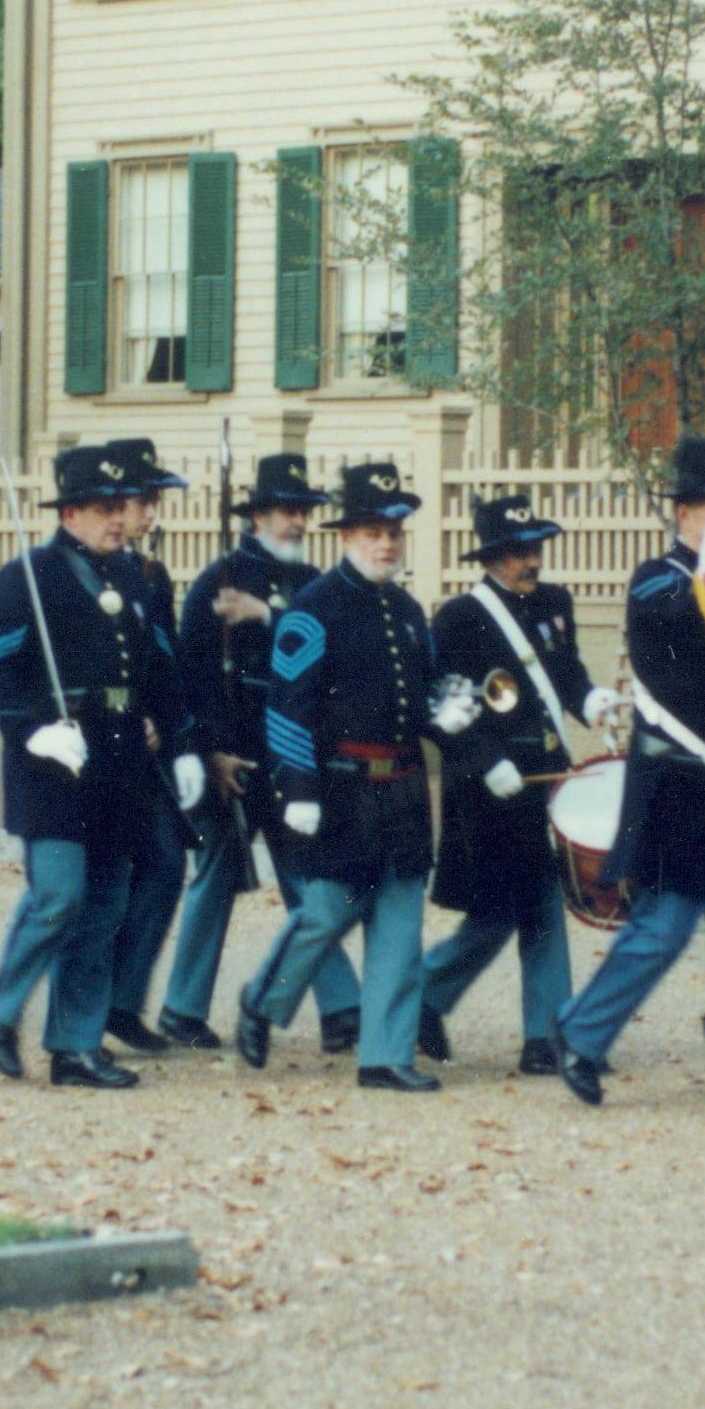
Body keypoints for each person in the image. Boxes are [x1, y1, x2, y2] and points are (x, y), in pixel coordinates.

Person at [549, 436, 705, 1124]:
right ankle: (580, 1032)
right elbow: (681, 629)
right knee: (662, 928)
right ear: (687, 511)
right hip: (676, 787)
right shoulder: (657, 579)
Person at [0, 441, 206, 1088]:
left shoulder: (131, 575)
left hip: (120, 760)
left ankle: (74, 1046)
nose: (116, 520)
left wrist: (182, 742)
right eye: (103, 508)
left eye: (118, 507)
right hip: (57, 764)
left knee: (103, 907)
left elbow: (159, 666)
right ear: (69, 511)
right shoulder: (28, 576)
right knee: (59, 894)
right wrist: (33, 731)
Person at [230, 461, 472, 1093]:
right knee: (325, 914)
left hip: (402, 788)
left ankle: (385, 1056)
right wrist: (300, 791)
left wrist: (442, 715)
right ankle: (262, 1000)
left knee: (399, 919)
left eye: (393, 530)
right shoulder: (312, 610)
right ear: (344, 535)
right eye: (372, 530)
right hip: (339, 788)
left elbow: (416, 698)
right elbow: (287, 707)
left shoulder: (408, 610)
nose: (385, 542)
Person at [153, 454, 359, 1050]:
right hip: (234, 762)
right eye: (287, 511)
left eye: (303, 511)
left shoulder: (317, 583)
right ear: (259, 515)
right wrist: (207, 751)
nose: (297, 522)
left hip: (293, 759)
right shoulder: (214, 583)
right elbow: (189, 678)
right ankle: (182, 1008)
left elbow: (333, 648)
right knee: (216, 874)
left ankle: (341, 1008)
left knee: (307, 879)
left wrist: (267, 614)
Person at [421, 494, 625, 1075]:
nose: (530, 561)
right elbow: (450, 701)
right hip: (491, 786)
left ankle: (546, 1035)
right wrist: (487, 760)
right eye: (516, 552)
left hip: (545, 776)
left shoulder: (555, 603)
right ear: (490, 558)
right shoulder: (460, 618)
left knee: (537, 899)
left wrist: (591, 700)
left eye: (534, 548)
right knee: (499, 908)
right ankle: (424, 998)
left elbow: (566, 675)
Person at [98, 439, 202, 1053]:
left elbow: (165, 663)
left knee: (165, 866)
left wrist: (179, 735)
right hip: (97, 745)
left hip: (148, 751)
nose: (151, 512)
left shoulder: (150, 576)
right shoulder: (82, 571)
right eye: (143, 500)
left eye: (153, 500)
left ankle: (123, 1002)